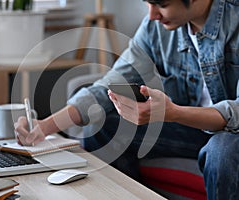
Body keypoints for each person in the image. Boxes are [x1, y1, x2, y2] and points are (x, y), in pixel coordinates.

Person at [15, 0, 239, 199]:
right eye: (148, 3)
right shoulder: (155, 28)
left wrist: (173, 113)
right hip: (189, 129)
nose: (152, 15)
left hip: (231, 136)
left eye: (161, 4)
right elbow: (108, 84)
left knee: (222, 151)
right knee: (104, 122)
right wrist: (45, 126)